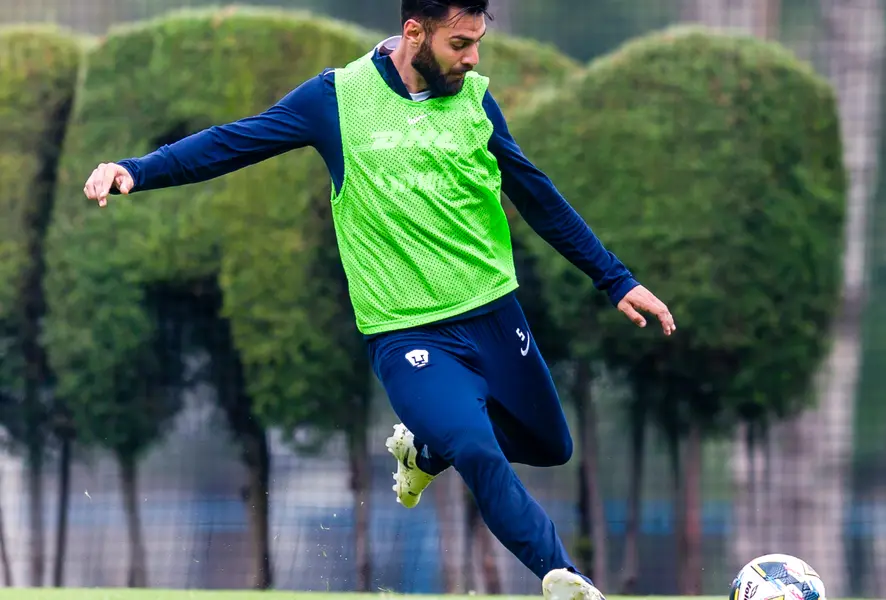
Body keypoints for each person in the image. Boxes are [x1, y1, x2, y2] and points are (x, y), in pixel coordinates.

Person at [81, 1, 676, 598]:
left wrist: (616, 279)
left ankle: (423, 448)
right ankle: (564, 578)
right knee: (476, 449)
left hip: (494, 316)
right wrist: (138, 170)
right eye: (459, 44)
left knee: (550, 445)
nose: (472, 58)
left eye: (478, 42)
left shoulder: (475, 100)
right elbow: (236, 141)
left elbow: (537, 194)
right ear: (414, 33)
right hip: (407, 333)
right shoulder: (336, 99)